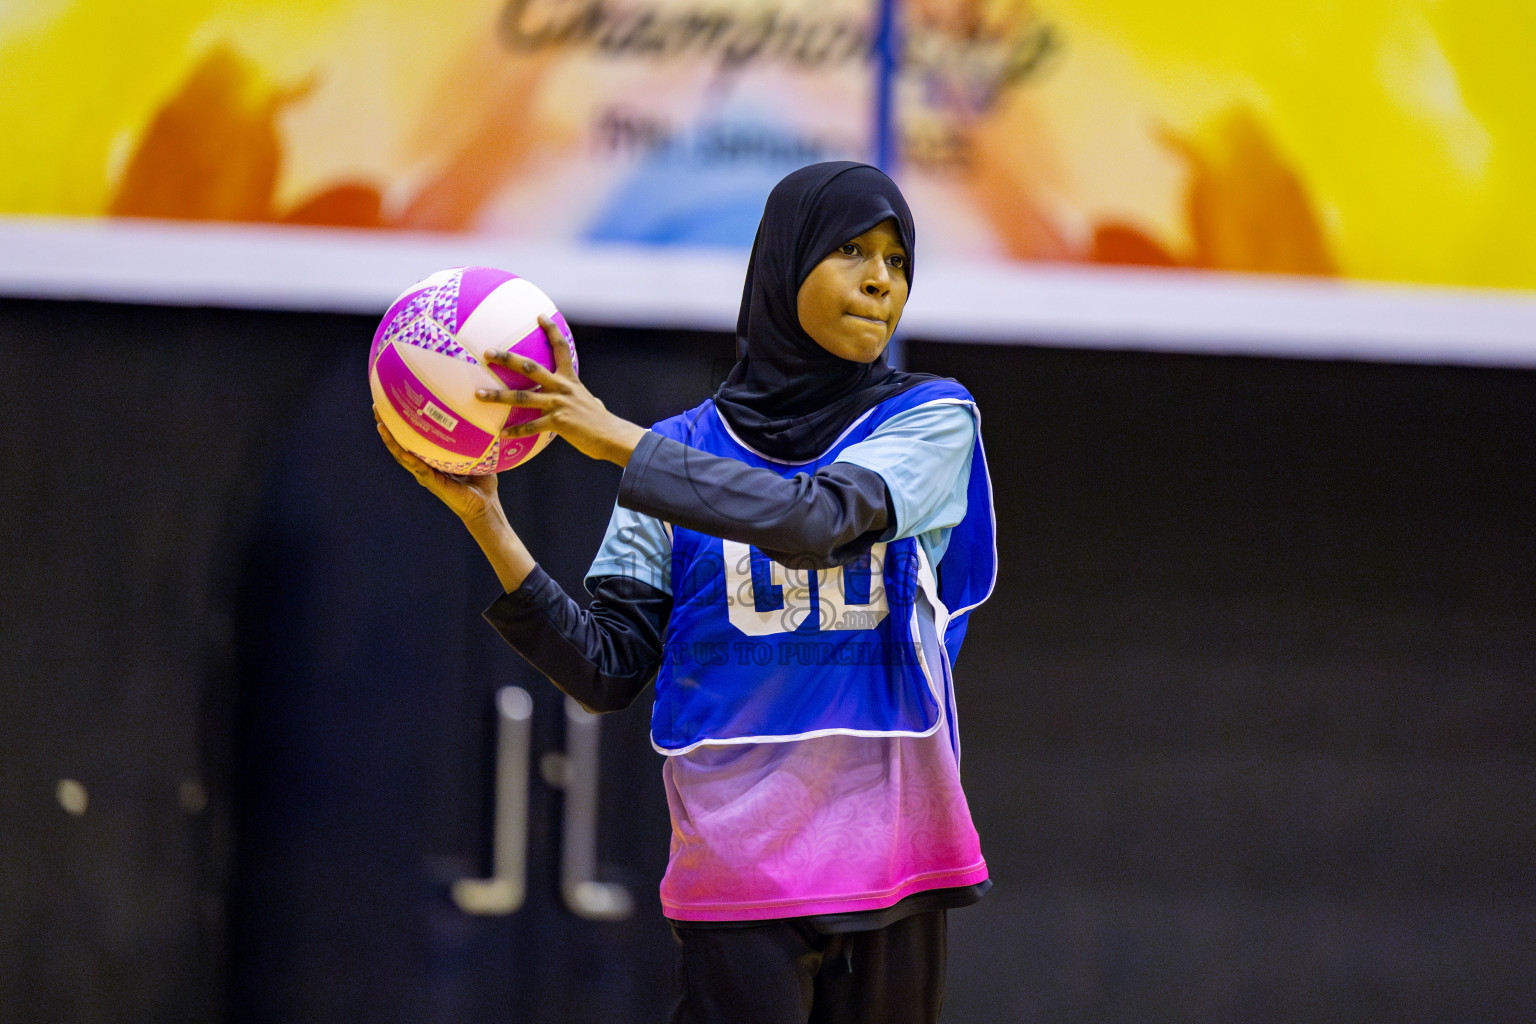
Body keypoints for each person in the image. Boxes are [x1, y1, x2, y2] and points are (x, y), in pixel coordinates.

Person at [376, 161, 996, 1024]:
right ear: (784, 264)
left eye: (898, 261)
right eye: (852, 250)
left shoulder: (929, 419)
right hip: (739, 865)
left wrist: (622, 446)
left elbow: (819, 518)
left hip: (893, 852)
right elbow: (606, 668)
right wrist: (486, 518)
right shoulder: (677, 452)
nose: (880, 280)